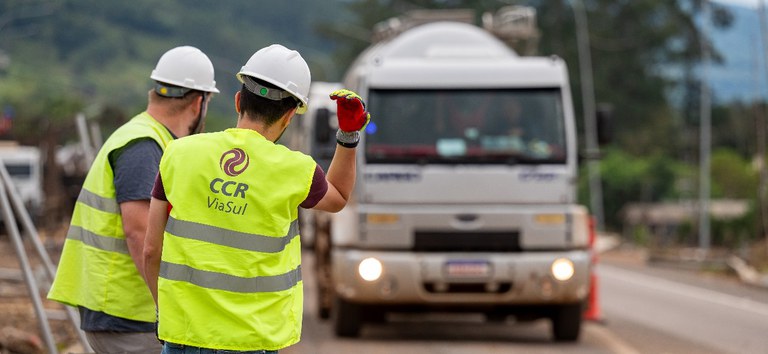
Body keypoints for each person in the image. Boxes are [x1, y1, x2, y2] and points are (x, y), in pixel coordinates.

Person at [142, 44, 369, 353]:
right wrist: (347, 136)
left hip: (184, 336)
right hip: (252, 340)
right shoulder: (296, 170)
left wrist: (165, 314)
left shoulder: (179, 154)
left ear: (238, 101)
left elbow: (151, 250)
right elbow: (339, 197)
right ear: (289, 116)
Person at [47, 45, 219, 353]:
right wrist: (171, 307)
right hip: (126, 313)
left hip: (122, 309)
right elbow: (139, 232)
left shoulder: (150, 139)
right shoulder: (144, 145)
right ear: (198, 103)